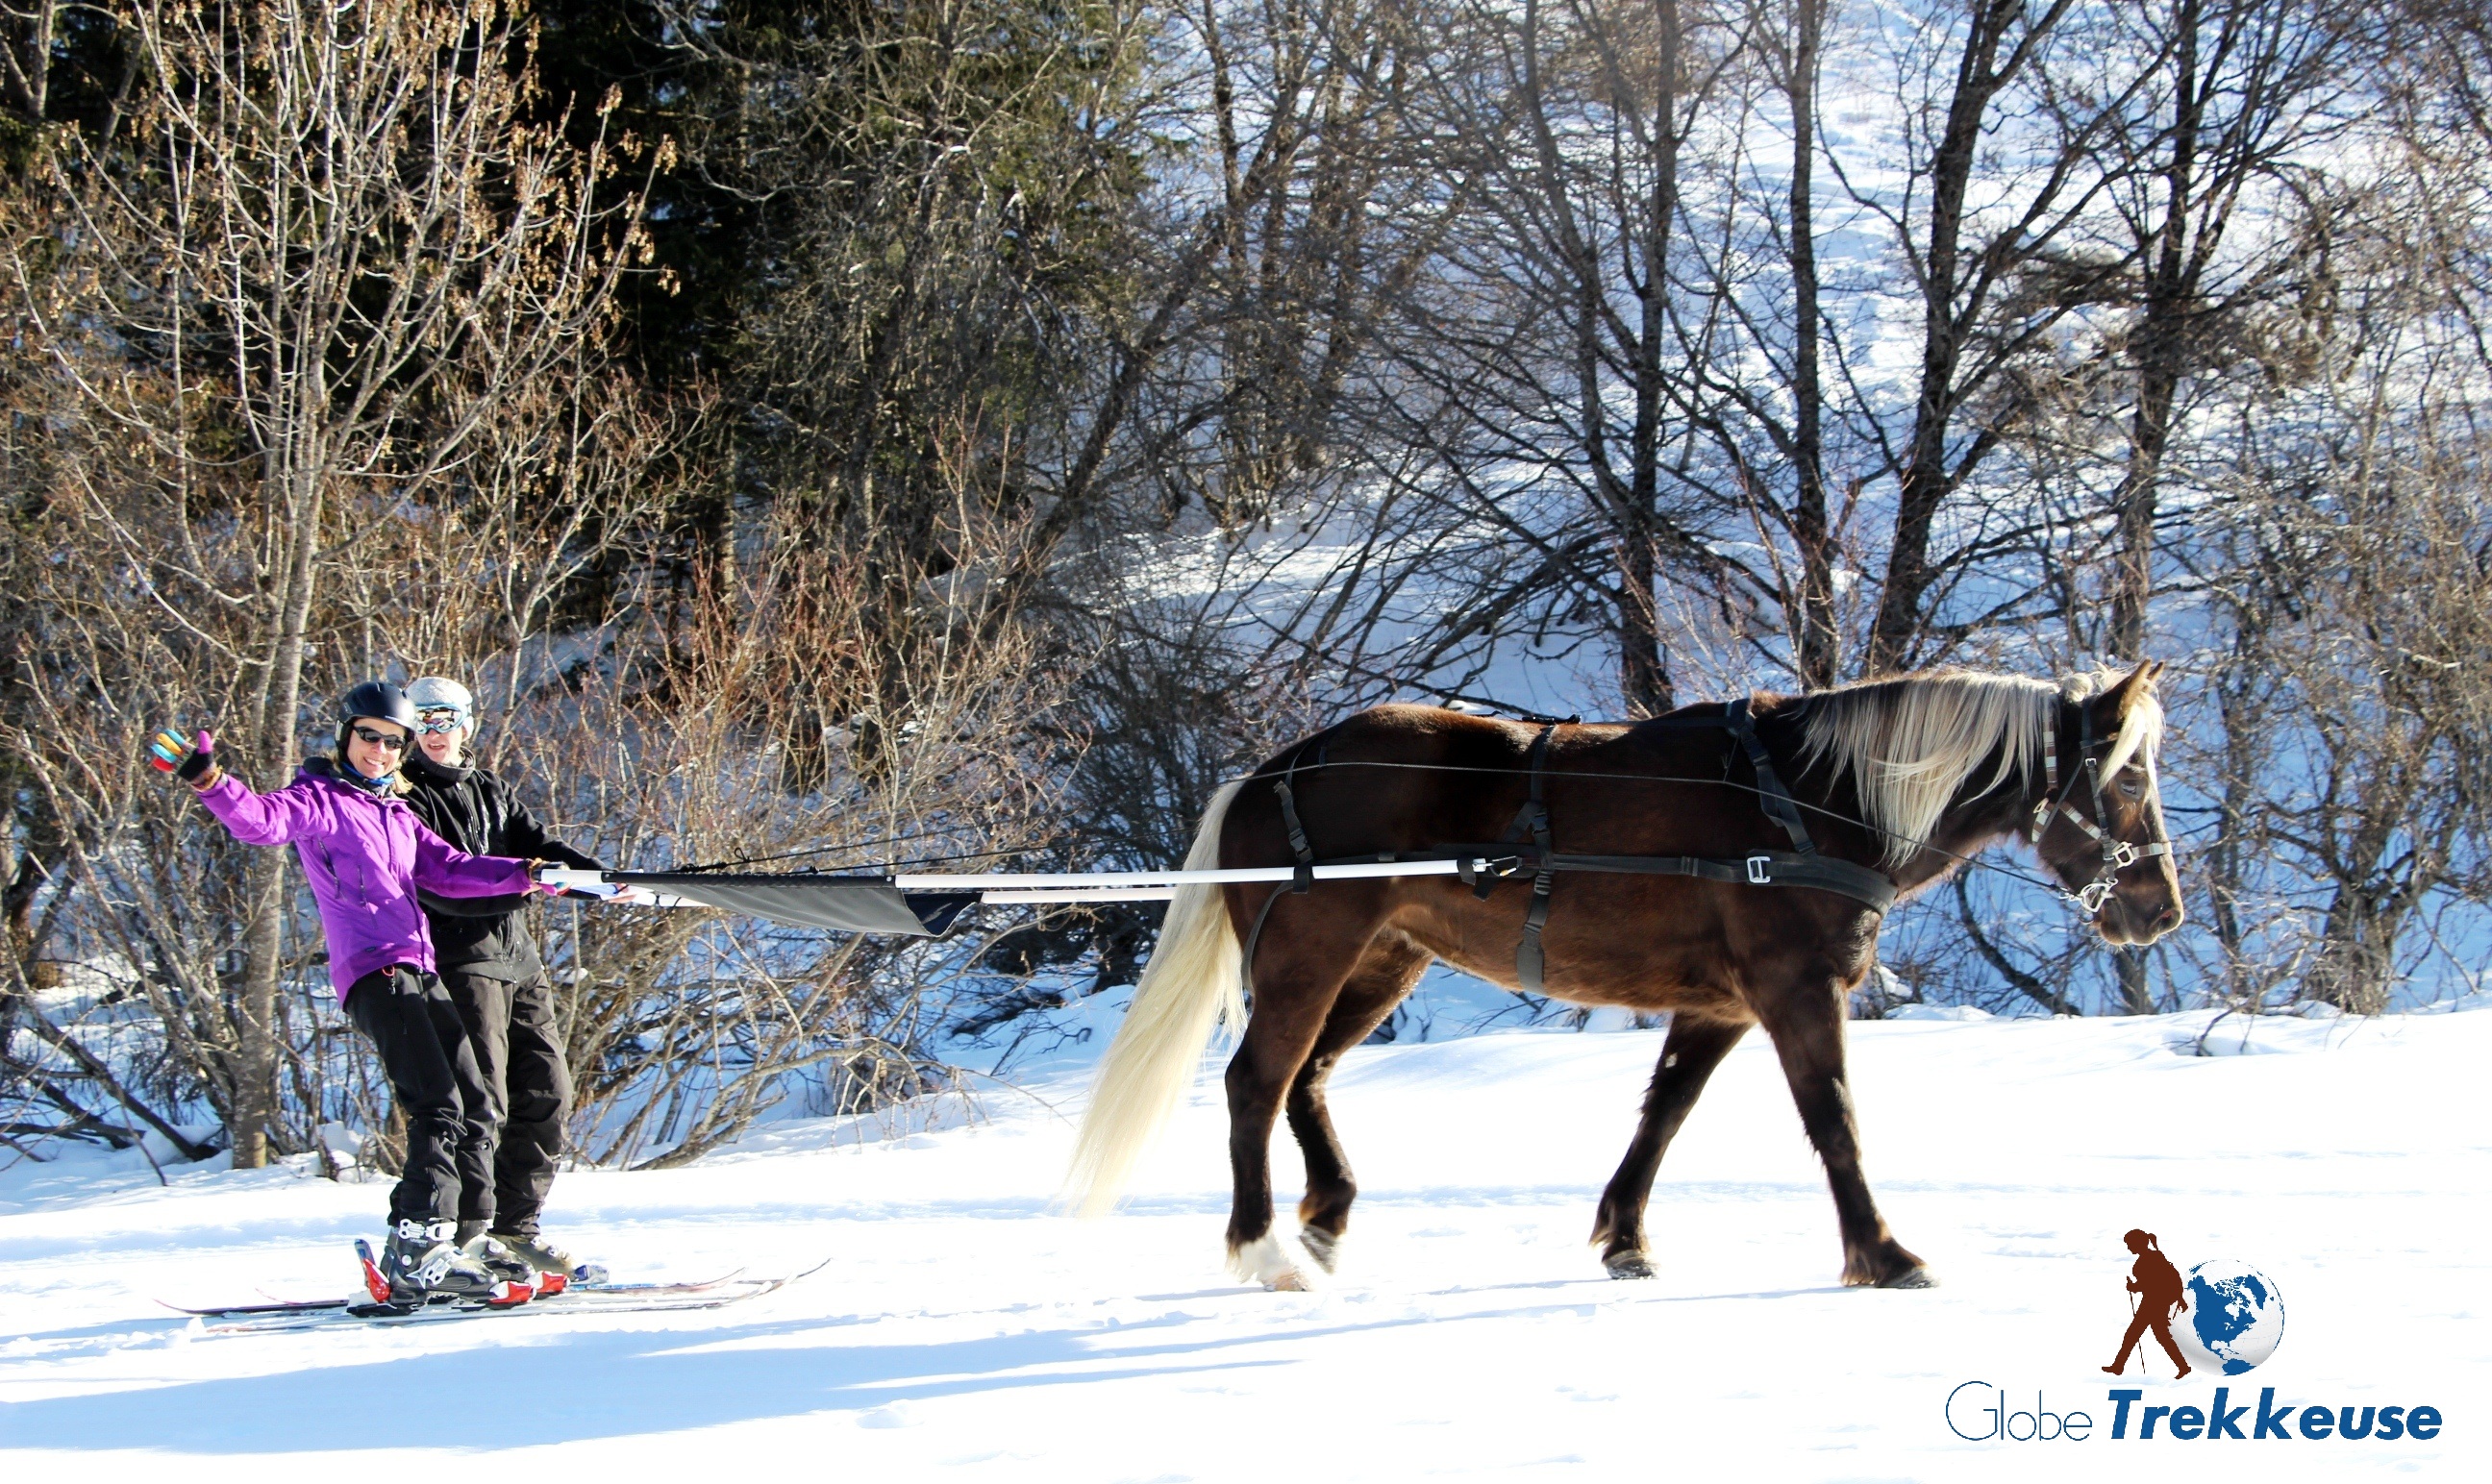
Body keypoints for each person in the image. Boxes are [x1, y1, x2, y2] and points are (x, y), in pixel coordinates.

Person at [149, 682, 551, 1303]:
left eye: (395, 742)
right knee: (438, 1104)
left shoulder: (396, 813)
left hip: (420, 972)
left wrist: (526, 874)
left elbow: (451, 870)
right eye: (370, 736)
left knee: (474, 1101)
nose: (381, 751)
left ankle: (463, 1245)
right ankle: (413, 1244)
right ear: (346, 736)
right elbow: (260, 823)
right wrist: (210, 781)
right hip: (375, 973)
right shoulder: (321, 799)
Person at [398, 676, 613, 1287]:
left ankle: (514, 1230)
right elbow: (444, 883)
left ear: (468, 725)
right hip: (460, 962)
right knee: (481, 1103)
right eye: (423, 724)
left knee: (547, 1093)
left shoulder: (488, 787)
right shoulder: (406, 798)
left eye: (446, 721)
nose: (435, 735)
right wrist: (529, 879)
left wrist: (594, 878)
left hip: (520, 960)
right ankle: (469, 1236)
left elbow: (537, 846)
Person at [2105, 1227, 2192, 1378]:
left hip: (2153, 1303)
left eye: (2129, 1244)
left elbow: (2151, 1283)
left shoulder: (2149, 1259)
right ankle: (2183, 1367)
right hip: (2154, 1302)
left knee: (2139, 1335)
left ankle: (2118, 1366)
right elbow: (2161, 1280)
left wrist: (2132, 1287)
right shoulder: (2155, 1256)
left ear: (2137, 1243)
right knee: (2152, 1336)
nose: (2128, 1247)